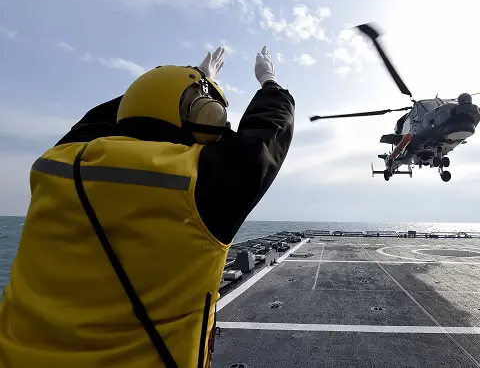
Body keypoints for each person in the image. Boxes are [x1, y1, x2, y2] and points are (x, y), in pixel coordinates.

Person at [0, 45, 295, 368]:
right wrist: (269, 81)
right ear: (205, 115)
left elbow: (106, 119)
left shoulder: (56, 163)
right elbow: (270, 129)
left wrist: (183, 81)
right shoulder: (201, 180)